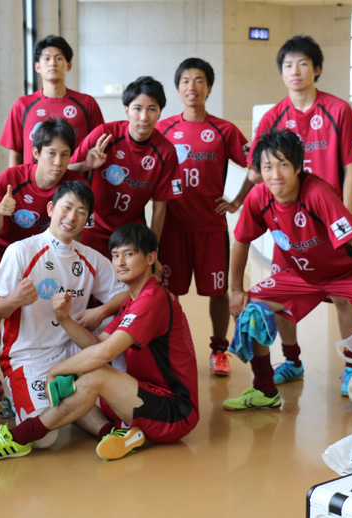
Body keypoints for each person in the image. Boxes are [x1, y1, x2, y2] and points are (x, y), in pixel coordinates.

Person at [0, 224, 198, 461]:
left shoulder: (152, 300)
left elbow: (105, 352)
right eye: (115, 255)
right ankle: (116, 433)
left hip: (174, 411)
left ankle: (17, 438)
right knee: (86, 371)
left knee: (95, 372)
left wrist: (55, 370)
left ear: (151, 258)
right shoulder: (133, 300)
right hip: (142, 395)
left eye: (129, 254)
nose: (120, 262)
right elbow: (97, 343)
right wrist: (64, 318)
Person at [223, 127, 352, 434]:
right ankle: (264, 390)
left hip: (351, 272)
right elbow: (241, 241)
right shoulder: (259, 197)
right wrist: (236, 289)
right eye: (267, 167)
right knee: (251, 310)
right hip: (304, 276)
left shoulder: (317, 193)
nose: (275, 175)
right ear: (259, 171)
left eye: (283, 165)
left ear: (297, 167)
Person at [250, 35, 352, 394]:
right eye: (288, 65)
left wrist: (344, 221)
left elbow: (351, 167)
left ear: (316, 69)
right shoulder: (273, 117)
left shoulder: (339, 110)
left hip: (331, 224)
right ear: (281, 72)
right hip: (288, 227)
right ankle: (292, 360)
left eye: (303, 63)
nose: (295, 71)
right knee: (282, 295)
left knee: (344, 297)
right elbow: (257, 169)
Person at [0, 118, 118, 411]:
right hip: (7, 251)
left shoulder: (75, 184)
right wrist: (1, 212)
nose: (58, 162)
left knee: (47, 311)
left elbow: (76, 236)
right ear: (36, 153)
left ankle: (54, 367)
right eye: (51, 153)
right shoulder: (12, 178)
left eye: (65, 155)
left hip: (52, 255)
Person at [0, 181, 126, 446]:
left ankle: (106, 431)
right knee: (44, 440)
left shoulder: (91, 258)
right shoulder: (21, 251)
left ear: (87, 220)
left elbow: (124, 294)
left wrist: (101, 310)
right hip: (29, 357)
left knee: (119, 325)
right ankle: (20, 397)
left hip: (72, 357)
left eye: (81, 212)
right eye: (67, 208)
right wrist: (16, 299)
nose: (72, 217)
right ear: (50, 209)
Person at [156, 57, 255, 377]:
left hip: (211, 227)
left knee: (217, 293)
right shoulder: (163, 129)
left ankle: (219, 351)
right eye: (185, 81)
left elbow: (255, 166)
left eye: (199, 80)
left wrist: (237, 200)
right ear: (177, 88)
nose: (192, 87)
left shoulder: (224, 130)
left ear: (209, 88)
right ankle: (171, 350)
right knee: (169, 294)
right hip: (172, 227)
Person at [69, 76, 182, 259]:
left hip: (130, 234)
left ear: (160, 113)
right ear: (127, 110)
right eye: (137, 109)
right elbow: (66, 172)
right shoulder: (104, 135)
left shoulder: (165, 151)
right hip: (92, 228)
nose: (144, 117)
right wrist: (86, 165)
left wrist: (152, 251)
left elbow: (160, 207)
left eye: (152, 109)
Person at [0, 35, 104, 168]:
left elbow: (98, 147)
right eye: (47, 58)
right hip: (33, 181)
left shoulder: (87, 103)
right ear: (37, 67)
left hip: (75, 179)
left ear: (69, 65)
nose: (52, 63)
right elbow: (15, 155)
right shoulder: (22, 105)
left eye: (58, 58)